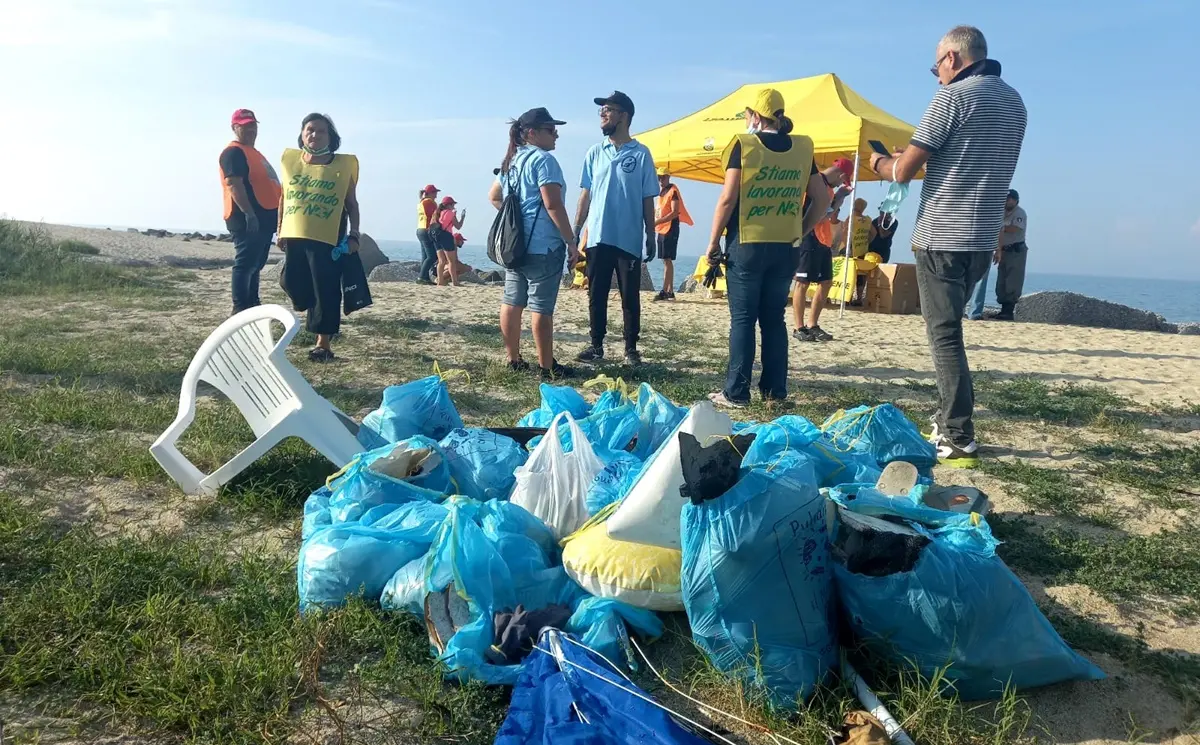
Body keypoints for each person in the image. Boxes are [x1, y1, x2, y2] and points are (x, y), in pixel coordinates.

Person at [869, 25, 1027, 468]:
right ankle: (947, 420)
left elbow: (903, 171)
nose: (936, 74)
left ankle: (958, 434)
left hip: (943, 232)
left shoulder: (952, 97)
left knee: (944, 336)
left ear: (953, 59)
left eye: (936, 65)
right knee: (952, 327)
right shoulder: (1015, 102)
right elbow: (972, 157)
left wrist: (880, 162)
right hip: (981, 238)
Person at [705, 88, 833, 409]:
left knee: (744, 319)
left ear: (755, 116)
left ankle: (736, 393)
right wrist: (800, 229)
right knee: (774, 319)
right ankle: (775, 392)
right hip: (786, 247)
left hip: (747, 244)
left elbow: (728, 198)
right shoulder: (803, 148)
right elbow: (823, 198)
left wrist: (712, 242)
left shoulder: (744, 145)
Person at [488, 107, 580, 379]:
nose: (557, 134)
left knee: (512, 301)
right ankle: (546, 366)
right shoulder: (544, 161)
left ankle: (513, 359)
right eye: (551, 129)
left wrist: (515, 218)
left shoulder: (511, 161)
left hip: (515, 245)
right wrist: (571, 241)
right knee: (541, 307)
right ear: (531, 133)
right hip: (544, 245)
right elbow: (553, 205)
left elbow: (494, 196)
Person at [572, 91, 658, 366]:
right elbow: (585, 194)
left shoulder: (641, 153)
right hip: (597, 235)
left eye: (608, 110)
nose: (602, 115)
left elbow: (648, 198)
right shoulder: (595, 152)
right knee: (596, 293)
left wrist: (651, 234)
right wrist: (575, 230)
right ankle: (596, 346)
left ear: (624, 115)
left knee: (629, 296)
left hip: (628, 238)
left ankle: (631, 348)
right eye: (601, 111)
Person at [277, 113, 361, 362]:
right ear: (302, 133)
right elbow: (284, 197)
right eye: (309, 129)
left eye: (320, 131)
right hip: (295, 233)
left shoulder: (342, 165)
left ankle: (322, 343)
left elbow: (352, 204)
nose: (314, 134)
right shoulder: (290, 161)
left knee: (326, 289)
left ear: (330, 136)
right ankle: (307, 307)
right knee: (290, 281)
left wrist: (354, 234)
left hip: (329, 236)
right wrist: (279, 228)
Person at [219, 109, 281, 315]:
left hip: (264, 217)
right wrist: (249, 214)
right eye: (244, 125)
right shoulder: (233, 152)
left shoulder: (253, 152)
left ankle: (252, 302)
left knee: (256, 264)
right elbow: (234, 184)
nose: (250, 129)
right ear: (234, 127)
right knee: (245, 264)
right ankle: (239, 307)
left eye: (253, 125)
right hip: (247, 218)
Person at [792, 159, 853, 342]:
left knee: (825, 281)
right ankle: (799, 327)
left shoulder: (828, 188)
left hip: (823, 239)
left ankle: (813, 325)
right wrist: (839, 198)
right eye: (843, 181)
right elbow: (818, 214)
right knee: (802, 282)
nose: (841, 184)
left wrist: (838, 198)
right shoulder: (814, 182)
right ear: (841, 175)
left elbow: (828, 214)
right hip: (808, 236)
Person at [652, 167, 693, 301]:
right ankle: (669, 290)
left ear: (668, 177)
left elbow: (675, 212)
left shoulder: (672, 190)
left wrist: (658, 221)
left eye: (663, 177)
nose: (661, 180)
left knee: (667, 259)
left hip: (670, 228)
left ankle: (666, 290)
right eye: (659, 177)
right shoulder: (662, 192)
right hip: (662, 228)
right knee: (665, 259)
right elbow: (660, 209)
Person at [993, 189, 1028, 320]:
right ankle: (1003, 310)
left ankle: (1008, 311)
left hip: (1015, 250)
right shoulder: (1000, 212)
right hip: (1003, 250)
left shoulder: (1019, 213)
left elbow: (1015, 228)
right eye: (1005, 198)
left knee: (1013, 280)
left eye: (1009, 199)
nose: (1007, 201)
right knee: (1002, 280)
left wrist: (1000, 227)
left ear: (1015, 200)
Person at [847, 197, 878, 305]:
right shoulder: (868, 220)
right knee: (861, 274)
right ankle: (859, 298)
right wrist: (867, 241)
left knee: (849, 273)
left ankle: (848, 298)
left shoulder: (851, 219)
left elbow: (845, 232)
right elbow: (874, 233)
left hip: (851, 249)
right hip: (863, 249)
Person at [432, 196, 465, 286]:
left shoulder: (437, 213)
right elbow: (458, 226)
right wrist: (462, 217)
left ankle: (440, 281)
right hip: (446, 236)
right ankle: (455, 281)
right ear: (449, 205)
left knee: (441, 261)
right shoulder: (450, 213)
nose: (454, 206)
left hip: (436, 237)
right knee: (451, 261)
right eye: (453, 204)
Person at [416, 184, 440, 284]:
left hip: (420, 229)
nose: (436, 195)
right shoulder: (429, 202)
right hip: (426, 230)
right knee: (432, 256)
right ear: (429, 193)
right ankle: (422, 277)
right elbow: (434, 216)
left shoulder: (421, 202)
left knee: (425, 256)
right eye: (434, 193)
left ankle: (425, 277)